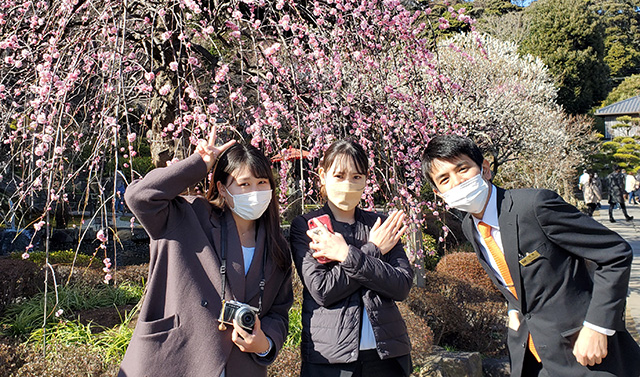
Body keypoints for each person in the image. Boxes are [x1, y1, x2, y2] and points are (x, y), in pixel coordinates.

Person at [421, 134, 640, 377]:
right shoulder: (469, 227)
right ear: (439, 194)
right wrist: (514, 310)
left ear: (484, 169)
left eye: (462, 169)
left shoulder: (534, 206)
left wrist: (598, 326)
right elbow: (513, 276)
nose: (457, 182)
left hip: (587, 353)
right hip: (532, 358)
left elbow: (615, 254)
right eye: (444, 179)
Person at [118, 128, 293, 377]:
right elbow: (139, 198)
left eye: (262, 183)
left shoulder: (277, 246)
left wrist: (265, 344)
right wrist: (199, 164)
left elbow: (279, 310)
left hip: (241, 367)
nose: (254, 192)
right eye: (244, 184)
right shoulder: (189, 217)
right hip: (178, 359)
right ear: (222, 189)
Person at [289, 139, 413, 377]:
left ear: (366, 179)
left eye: (357, 177)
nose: (348, 183)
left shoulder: (380, 224)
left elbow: (401, 286)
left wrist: (345, 255)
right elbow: (322, 290)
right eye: (339, 176)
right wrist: (374, 249)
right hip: (332, 359)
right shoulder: (307, 226)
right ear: (322, 175)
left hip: (388, 356)